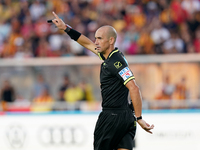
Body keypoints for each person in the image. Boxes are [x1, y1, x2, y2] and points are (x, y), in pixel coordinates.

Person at [51, 11, 154, 150]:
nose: (96, 42)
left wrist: (140, 117)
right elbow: (86, 43)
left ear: (111, 40)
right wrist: (66, 28)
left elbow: (134, 88)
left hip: (111, 117)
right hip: (126, 117)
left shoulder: (114, 62)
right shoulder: (112, 56)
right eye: (96, 38)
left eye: (99, 38)